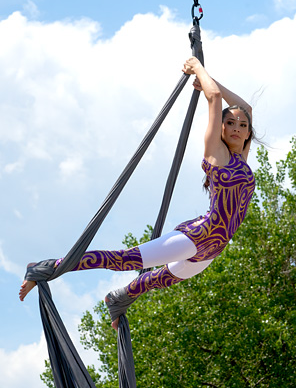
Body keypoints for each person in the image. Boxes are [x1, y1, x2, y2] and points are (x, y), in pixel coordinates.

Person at [19, 57, 256, 331]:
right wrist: (199, 71)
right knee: (124, 260)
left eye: (242, 125)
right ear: (221, 128)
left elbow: (246, 107)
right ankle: (46, 267)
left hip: (215, 247)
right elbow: (213, 96)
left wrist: (207, 76)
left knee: (157, 280)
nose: (237, 128)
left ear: (248, 132)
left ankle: (118, 298)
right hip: (199, 235)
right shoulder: (217, 152)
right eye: (230, 123)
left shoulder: (242, 158)